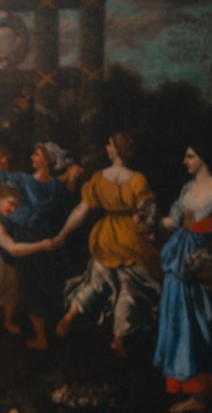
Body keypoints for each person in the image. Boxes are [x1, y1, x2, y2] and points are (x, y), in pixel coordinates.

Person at [0, 141, 77, 350]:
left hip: (26, 239)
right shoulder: (56, 187)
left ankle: (42, 339)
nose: (32, 158)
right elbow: (68, 202)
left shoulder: (24, 180)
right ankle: (51, 333)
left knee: (33, 288)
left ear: (46, 160)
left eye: (37, 155)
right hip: (47, 239)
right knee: (44, 284)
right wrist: (71, 178)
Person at [53, 131, 161, 358]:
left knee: (96, 281)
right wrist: (149, 232)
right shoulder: (138, 179)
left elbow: (82, 210)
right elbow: (146, 215)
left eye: (110, 145)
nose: (107, 148)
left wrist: (62, 233)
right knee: (129, 289)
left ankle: (69, 316)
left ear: (117, 150)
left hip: (105, 237)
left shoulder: (100, 178)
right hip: (130, 239)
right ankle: (118, 339)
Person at [153, 137, 212, 413]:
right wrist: (151, 222)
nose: (185, 161)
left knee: (202, 323)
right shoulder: (187, 189)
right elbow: (173, 221)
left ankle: (203, 393)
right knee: (179, 323)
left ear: (203, 157)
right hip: (178, 260)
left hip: (201, 264)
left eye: (190, 156)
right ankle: (193, 394)